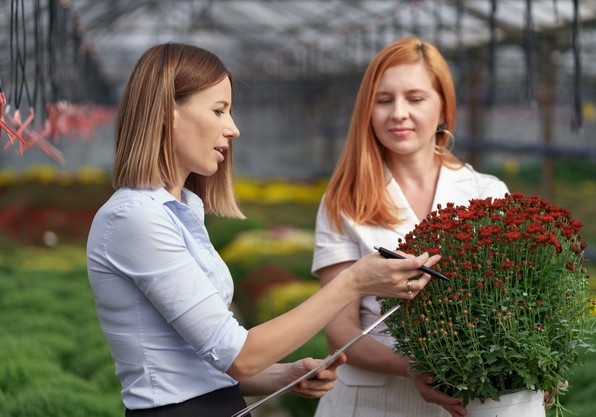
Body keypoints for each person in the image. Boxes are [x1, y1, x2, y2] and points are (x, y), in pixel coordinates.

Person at [86, 42, 442, 417]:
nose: (233, 129)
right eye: (219, 110)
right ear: (167, 112)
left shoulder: (181, 210)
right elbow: (238, 356)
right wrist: (353, 282)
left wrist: (282, 375)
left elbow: (201, 365)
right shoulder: (135, 218)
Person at [312, 37, 510, 417]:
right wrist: (414, 368)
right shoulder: (345, 200)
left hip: (471, 402)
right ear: (367, 110)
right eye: (384, 100)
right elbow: (340, 330)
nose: (398, 113)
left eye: (415, 99)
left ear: (442, 108)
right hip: (368, 404)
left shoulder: (487, 192)